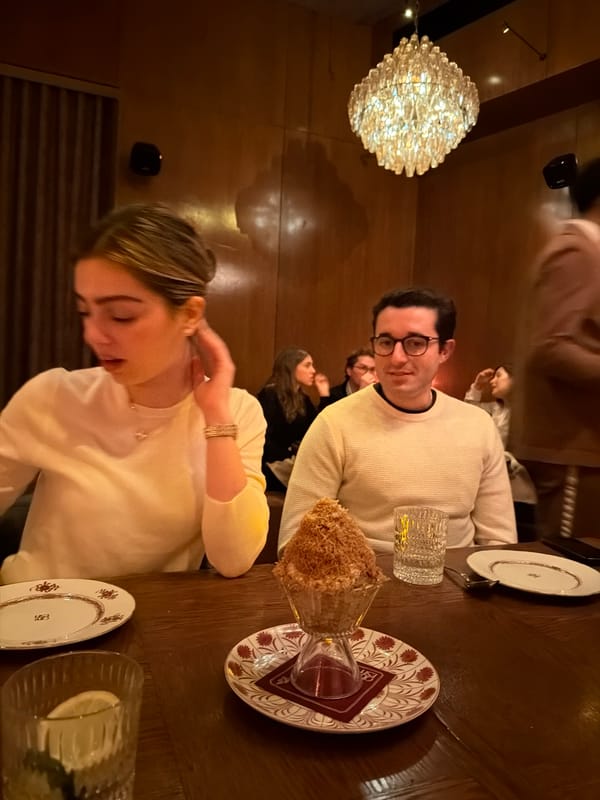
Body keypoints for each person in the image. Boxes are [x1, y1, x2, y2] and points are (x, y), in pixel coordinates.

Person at [0, 203, 269, 583]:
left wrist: (216, 417)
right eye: (85, 312)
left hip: (152, 619)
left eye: (121, 315)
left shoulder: (237, 412)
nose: (94, 335)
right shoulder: (53, 396)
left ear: (190, 315)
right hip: (40, 612)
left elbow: (234, 559)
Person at [278, 287, 517, 554]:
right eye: (386, 342)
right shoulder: (334, 423)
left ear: (445, 350)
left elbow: (500, 542)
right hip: (362, 575)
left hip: (459, 575)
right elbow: (295, 544)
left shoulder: (478, 425)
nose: (397, 357)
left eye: (415, 343)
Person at [513, 157, 600, 539]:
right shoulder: (579, 251)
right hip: (572, 447)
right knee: (575, 563)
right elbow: (551, 347)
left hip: (580, 449)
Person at [465, 364, 536, 536]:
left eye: (499, 376)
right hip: (493, 486)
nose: (493, 381)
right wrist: (477, 387)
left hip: (521, 491)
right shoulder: (495, 409)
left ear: (515, 380)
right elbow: (468, 416)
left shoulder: (531, 412)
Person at [257, 348, 330, 492]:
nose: (313, 371)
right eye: (307, 365)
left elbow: (319, 429)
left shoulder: (303, 398)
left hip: (293, 461)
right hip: (273, 464)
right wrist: (291, 454)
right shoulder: (270, 395)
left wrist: (324, 396)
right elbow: (265, 439)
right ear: (291, 367)